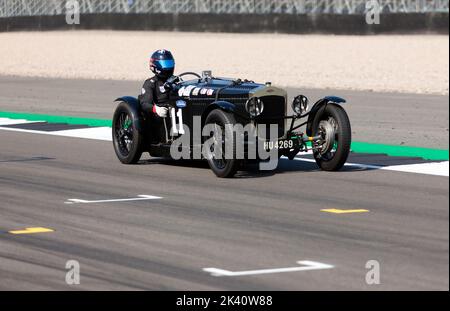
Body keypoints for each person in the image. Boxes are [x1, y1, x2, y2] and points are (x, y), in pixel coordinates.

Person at [138, 49, 175, 142]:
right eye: (165, 64)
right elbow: (144, 103)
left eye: (170, 63)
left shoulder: (176, 80)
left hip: (175, 109)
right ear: (156, 66)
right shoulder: (150, 83)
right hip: (158, 115)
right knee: (164, 115)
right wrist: (156, 109)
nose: (168, 67)